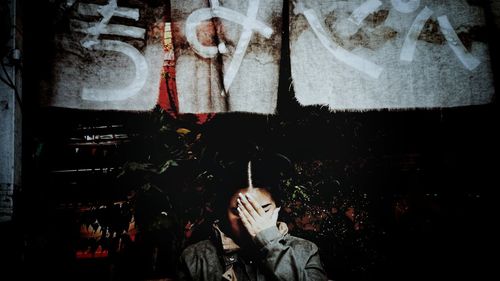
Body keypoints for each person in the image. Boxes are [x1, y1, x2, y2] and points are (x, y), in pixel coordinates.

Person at [177, 156, 327, 280]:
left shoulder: (305, 252)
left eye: (263, 210)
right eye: (239, 211)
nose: (248, 220)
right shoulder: (195, 257)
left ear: (277, 209)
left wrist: (270, 242)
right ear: (224, 212)